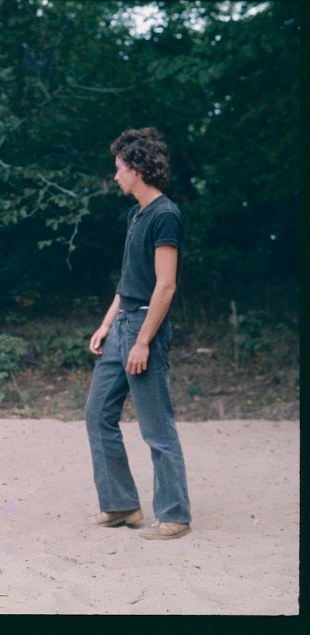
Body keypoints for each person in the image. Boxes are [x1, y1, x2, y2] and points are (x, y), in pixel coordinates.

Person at [84, 127, 191, 540]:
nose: (115, 177)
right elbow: (129, 280)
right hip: (122, 324)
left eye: (119, 169)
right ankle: (120, 504)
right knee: (97, 415)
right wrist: (107, 323)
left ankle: (175, 516)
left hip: (146, 327)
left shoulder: (165, 214)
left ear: (138, 169)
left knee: (156, 427)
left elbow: (165, 285)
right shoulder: (136, 214)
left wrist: (143, 340)